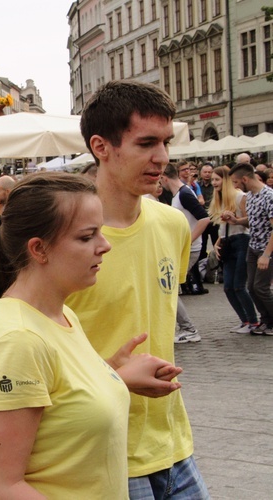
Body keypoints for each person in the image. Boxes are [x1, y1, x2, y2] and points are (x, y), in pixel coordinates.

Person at [0, 173, 181, 498]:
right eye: (87, 236)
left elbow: (61, 406)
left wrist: (112, 374)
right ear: (39, 249)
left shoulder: (61, 314)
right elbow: (0, 486)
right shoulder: (17, 339)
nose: (105, 245)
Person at [65, 80, 209, 498]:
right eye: (146, 143)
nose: (162, 158)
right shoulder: (62, 241)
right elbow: (34, 351)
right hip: (99, 451)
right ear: (101, 146)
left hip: (173, 445)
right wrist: (112, 375)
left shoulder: (170, 224)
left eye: (165, 142)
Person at [160, 162, 208, 342]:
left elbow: (204, 218)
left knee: (169, 287)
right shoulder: (179, 194)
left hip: (190, 249)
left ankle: (189, 329)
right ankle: (186, 328)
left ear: (164, 177)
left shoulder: (184, 193)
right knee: (170, 287)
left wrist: (188, 241)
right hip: (185, 248)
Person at [209, 166, 258, 333]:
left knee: (238, 285)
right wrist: (217, 242)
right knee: (228, 287)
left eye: (217, 179)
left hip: (242, 240)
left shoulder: (239, 196)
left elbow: (250, 221)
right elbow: (222, 227)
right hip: (228, 242)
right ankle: (244, 320)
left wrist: (235, 219)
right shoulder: (219, 198)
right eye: (213, 180)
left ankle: (253, 321)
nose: (213, 182)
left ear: (226, 180)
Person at [228, 162, 273, 335]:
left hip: (265, 249)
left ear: (245, 179)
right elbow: (254, 220)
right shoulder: (251, 195)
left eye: (236, 182)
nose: (235, 186)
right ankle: (266, 320)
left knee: (261, 287)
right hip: (253, 246)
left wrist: (267, 255)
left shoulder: (269, 196)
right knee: (252, 288)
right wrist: (236, 221)